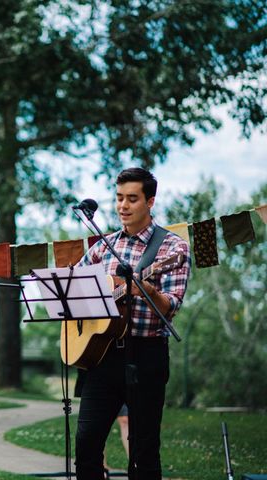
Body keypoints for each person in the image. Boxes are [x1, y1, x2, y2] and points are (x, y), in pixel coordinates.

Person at [74, 167, 191, 480]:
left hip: (147, 354)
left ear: (150, 201)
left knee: (143, 450)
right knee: (86, 444)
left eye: (132, 199)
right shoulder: (103, 246)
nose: (123, 206)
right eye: (119, 198)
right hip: (101, 355)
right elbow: (73, 288)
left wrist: (147, 288)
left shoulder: (173, 249)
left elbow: (170, 308)